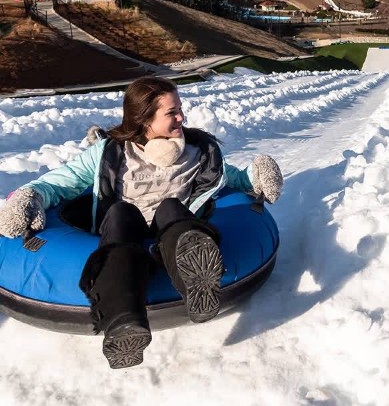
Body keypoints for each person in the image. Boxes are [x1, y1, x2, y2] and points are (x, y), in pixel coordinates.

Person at [0, 76, 283, 368]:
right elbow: (62, 182)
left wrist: (258, 175)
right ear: (144, 119)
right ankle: (124, 321)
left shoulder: (199, 152)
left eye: (180, 109)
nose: (181, 117)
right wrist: (30, 195)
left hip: (172, 228)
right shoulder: (109, 153)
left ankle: (196, 279)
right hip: (125, 230)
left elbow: (233, 179)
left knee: (172, 208)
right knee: (122, 213)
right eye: (171, 112)